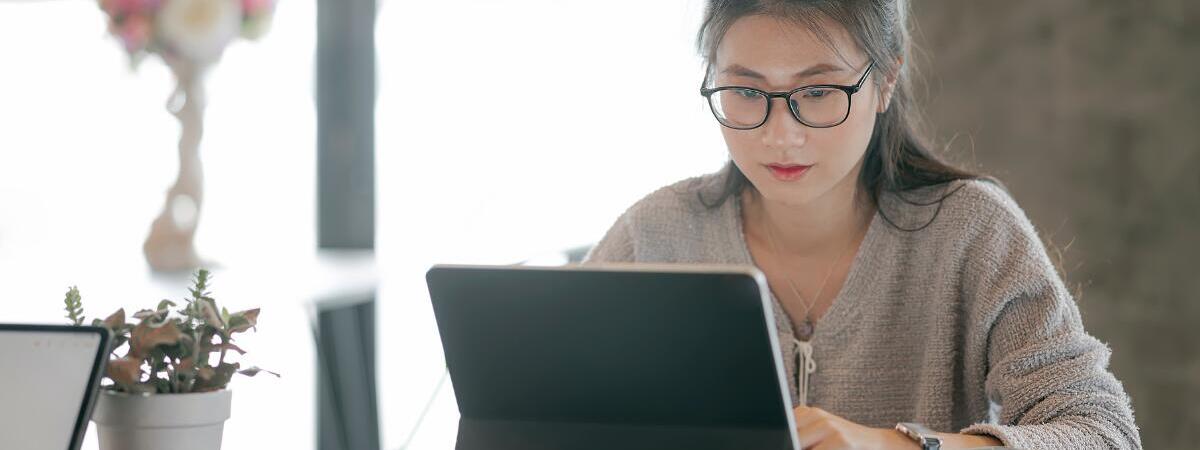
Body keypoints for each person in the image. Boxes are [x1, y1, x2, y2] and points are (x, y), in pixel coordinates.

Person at [583, 1, 1141, 448]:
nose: (781, 134)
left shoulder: (972, 232)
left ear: (886, 82)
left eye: (819, 91)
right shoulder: (653, 234)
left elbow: (1103, 432)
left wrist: (895, 447)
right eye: (749, 91)